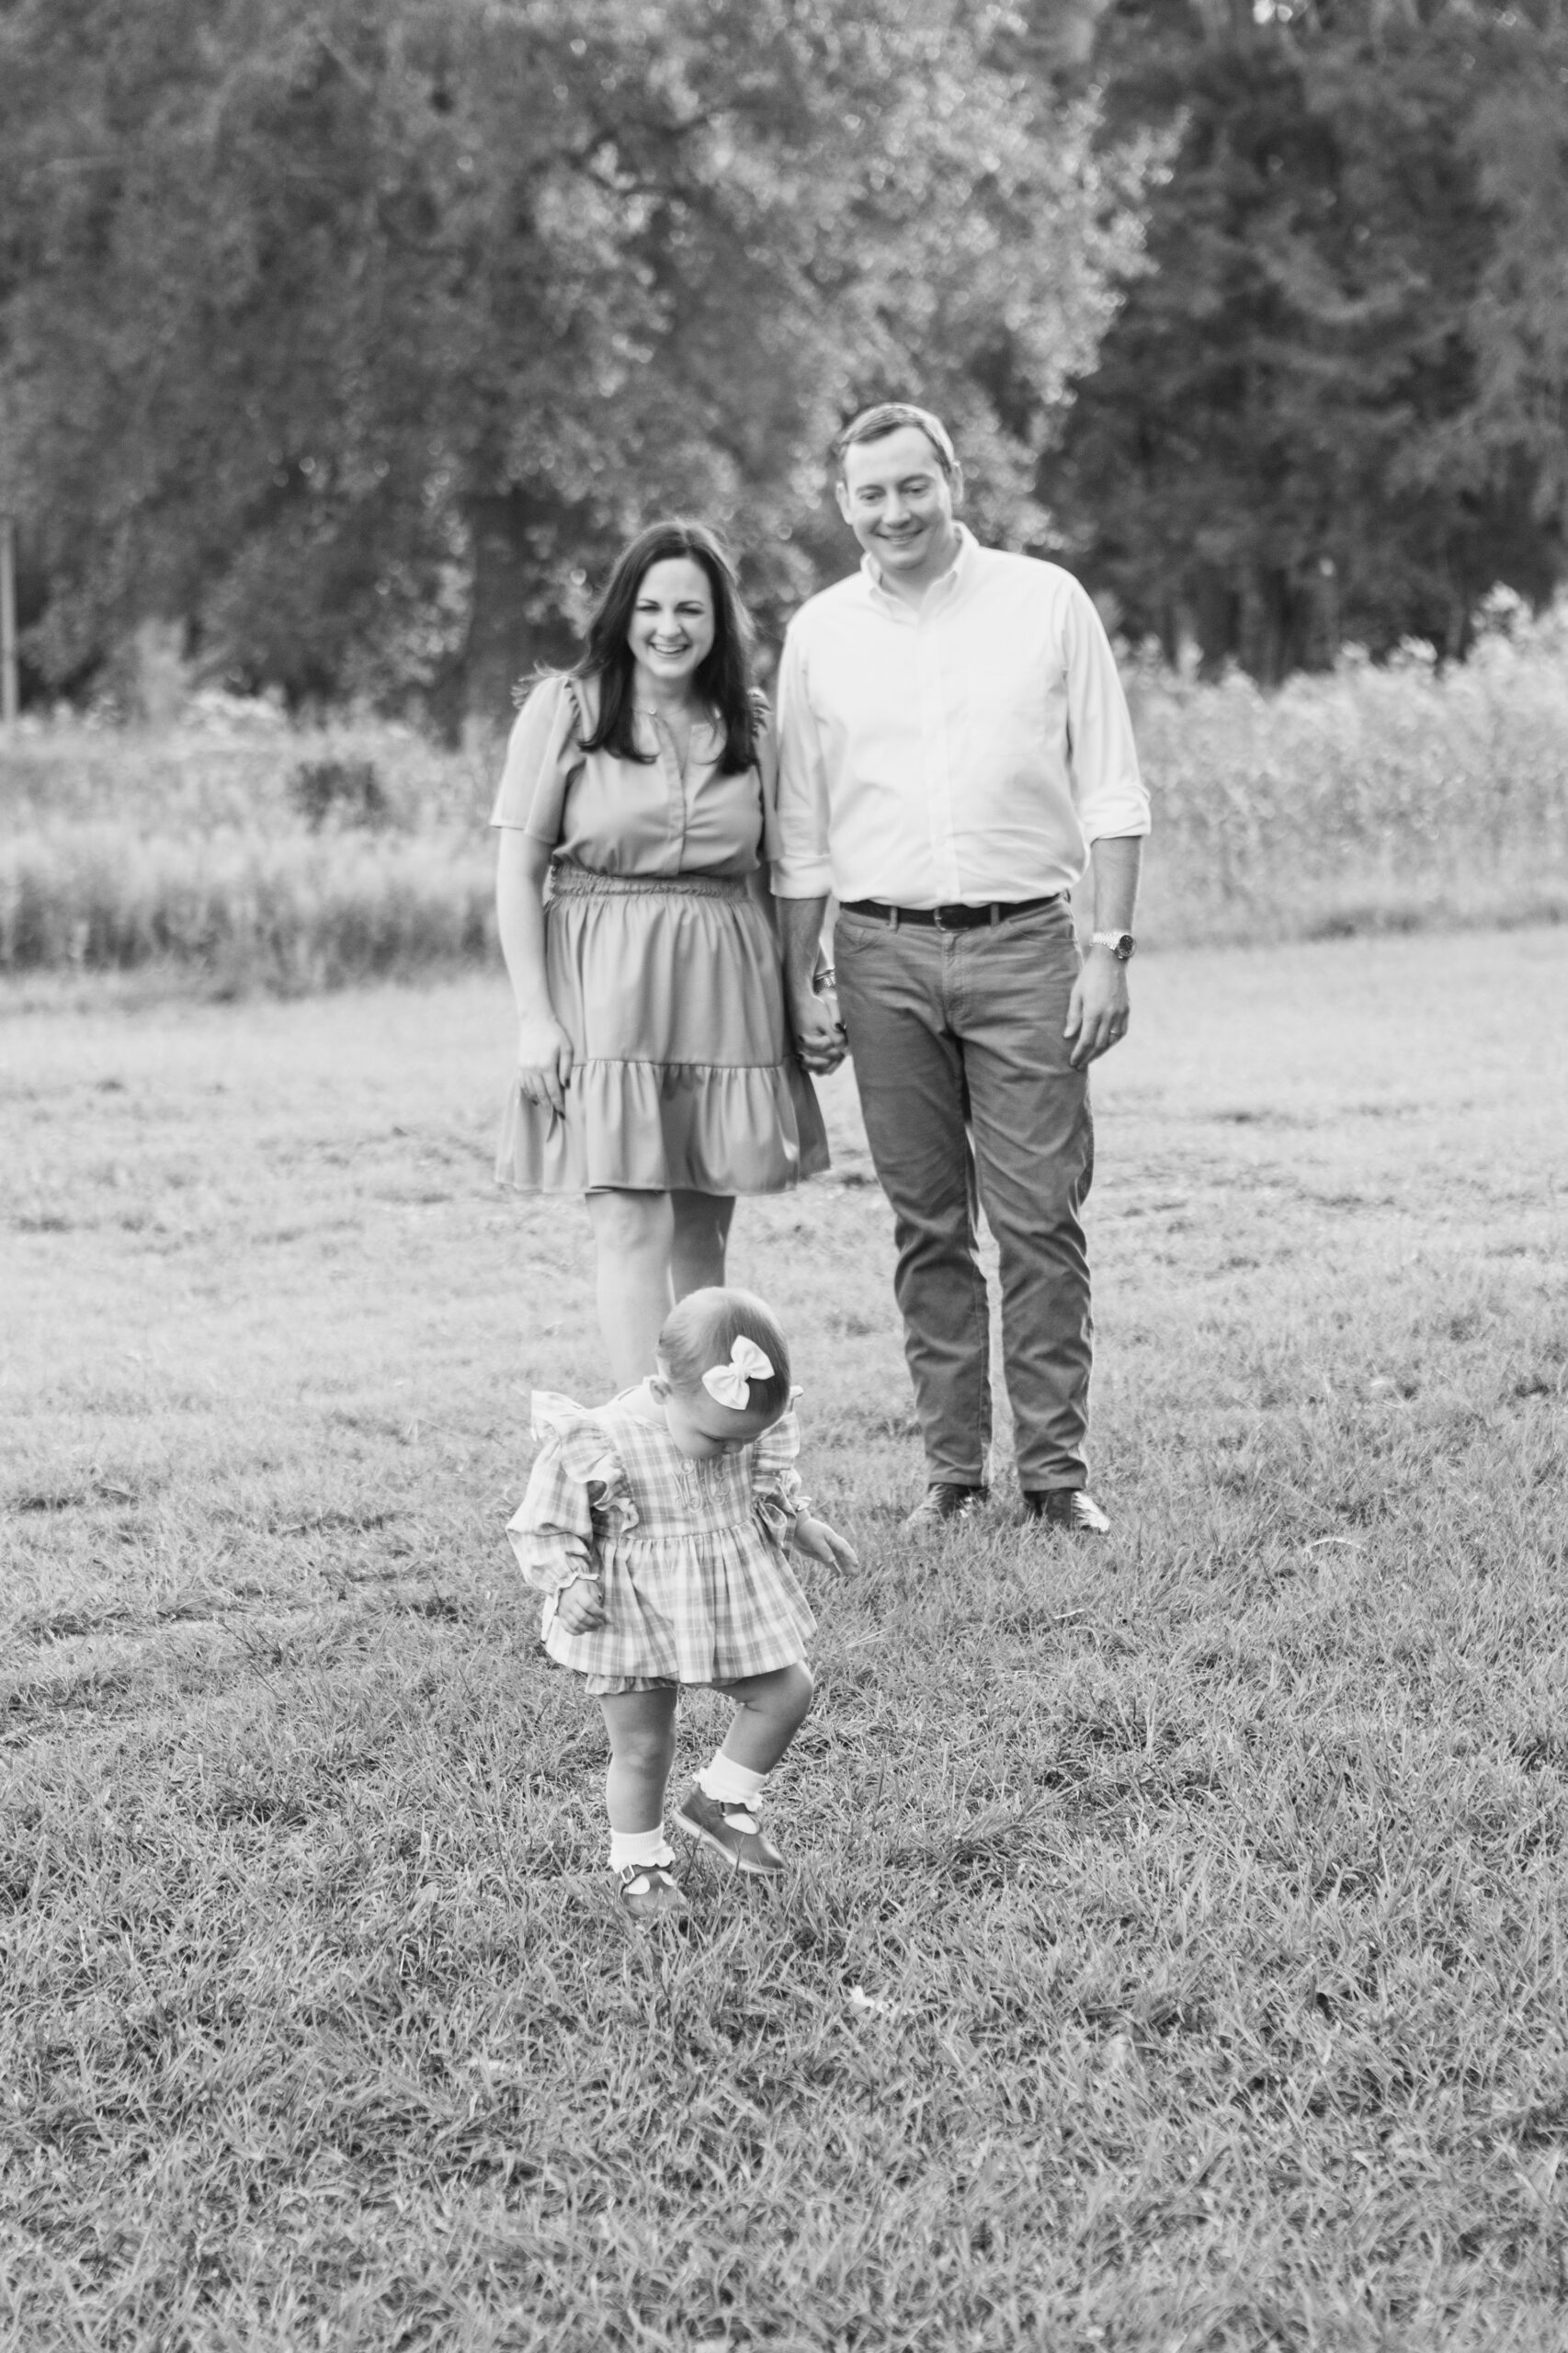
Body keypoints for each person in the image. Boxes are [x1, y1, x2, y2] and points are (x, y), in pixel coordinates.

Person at [773, 403, 1151, 1537]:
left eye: (910, 486)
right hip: (877, 951)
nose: (892, 511)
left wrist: (1107, 951)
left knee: (1039, 1217)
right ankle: (950, 1475)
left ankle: (1053, 1475)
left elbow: (1113, 791)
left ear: (950, 483)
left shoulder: (1044, 603)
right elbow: (799, 829)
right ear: (844, 505)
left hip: (1028, 945)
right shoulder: (819, 633)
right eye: (869, 493)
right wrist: (803, 974)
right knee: (926, 1224)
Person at [492, 520, 830, 1388]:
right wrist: (535, 1018)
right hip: (605, 995)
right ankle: (654, 1439)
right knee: (630, 1227)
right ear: (622, 613)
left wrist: (802, 994)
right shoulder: (569, 707)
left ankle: (709, 1436)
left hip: (724, 994)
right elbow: (518, 867)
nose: (668, 627)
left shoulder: (750, 723)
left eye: (690, 607)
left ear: (720, 619)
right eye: (649, 607)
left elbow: (777, 873)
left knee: (701, 1236)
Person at [508, 1287, 858, 1921]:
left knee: (787, 1690)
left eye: (742, 1442)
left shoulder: (735, 1427)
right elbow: (545, 1526)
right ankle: (641, 1864)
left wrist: (799, 1523)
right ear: (666, 1391)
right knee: (644, 1747)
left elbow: (767, 1482)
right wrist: (569, 1582)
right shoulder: (598, 1439)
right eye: (720, 1440)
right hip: (630, 1616)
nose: (732, 1452)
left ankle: (720, 1801)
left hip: (723, 1600)